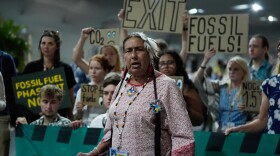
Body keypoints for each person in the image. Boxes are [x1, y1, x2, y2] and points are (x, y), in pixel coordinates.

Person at [77, 32, 194, 156]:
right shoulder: (121, 85)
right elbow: (112, 130)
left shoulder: (166, 86)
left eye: (139, 50)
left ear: (150, 54)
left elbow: (183, 135)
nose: (133, 55)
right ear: (124, 57)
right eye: (128, 51)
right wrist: (93, 153)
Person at [225, 40, 280, 135]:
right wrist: (239, 129)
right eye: (279, 50)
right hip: (273, 144)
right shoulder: (270, 84)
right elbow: (262, 120)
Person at [22, 30, 76, 121]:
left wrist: (71, 117)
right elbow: (23, 96)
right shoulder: (30, 68)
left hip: (59, 119)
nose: (46, 47)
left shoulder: (66, 69)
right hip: (34, 119)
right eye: (43, 43)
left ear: (57, 46)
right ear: (40, 45)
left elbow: (70, 98)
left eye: (50, 43)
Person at [193, 48, 251, 132]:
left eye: (236, 69)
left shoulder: (249, 90)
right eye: (230, 69)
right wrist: (205, 60)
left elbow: (258, 116)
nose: (232, 72)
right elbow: (197, 82)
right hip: (220, 132)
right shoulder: (220, 86)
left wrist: (249, 109)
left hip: (240, 133)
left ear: (244, 72)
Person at [156, 50, 204, 126]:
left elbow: (199, 120)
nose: (166, 66)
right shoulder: (151, 86)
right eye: (162, 63)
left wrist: (186, 108)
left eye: (170, 62)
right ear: (157, 66)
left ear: (177, 65)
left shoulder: (186, 88)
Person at [73, 54, 113, 126]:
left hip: (104, 126)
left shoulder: (110, 90)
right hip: (86, 127)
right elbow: (75, 117)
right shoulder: (82, 90)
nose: (93, 72)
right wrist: (79, 111)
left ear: (106, 70)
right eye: (91, 68)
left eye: (97, 68)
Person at [0, 50, 17, 156]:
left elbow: (13, 88)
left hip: (3, 114)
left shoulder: (6, 58)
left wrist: (14, 115)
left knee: (3, 147)